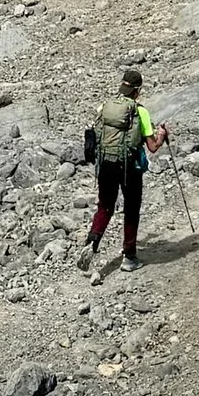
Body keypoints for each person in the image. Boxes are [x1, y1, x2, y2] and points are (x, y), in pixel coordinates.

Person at [78, 64, 166, 271]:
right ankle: (129, 256)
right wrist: (162, 135)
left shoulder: (104, 107)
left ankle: (93, 240)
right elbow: (152, 147)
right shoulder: (140, 112)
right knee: (131, 208)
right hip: (130, 166)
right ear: (138, 91)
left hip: (106, 164)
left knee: (105, 205)